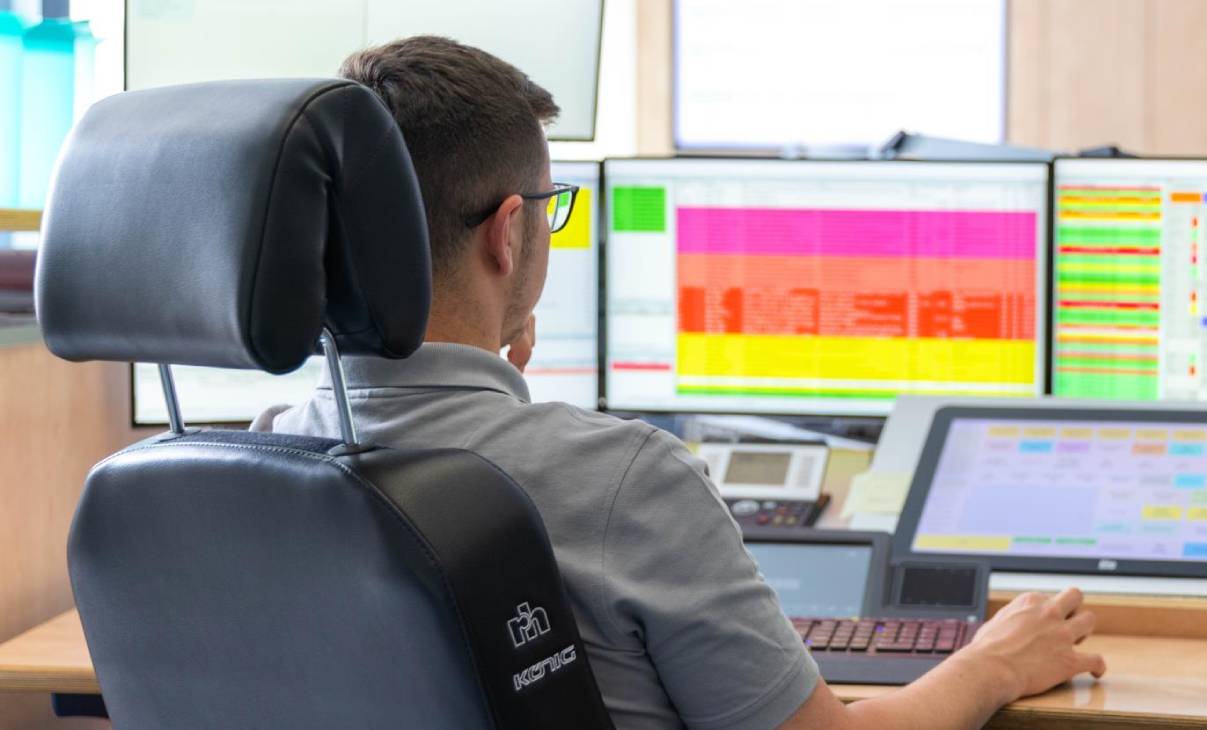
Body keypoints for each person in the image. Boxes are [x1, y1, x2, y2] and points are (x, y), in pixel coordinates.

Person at [252, 35, 1106, 730]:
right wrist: (992, 664)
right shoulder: (624, 480)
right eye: (550, 205)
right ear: (508, 235)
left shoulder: (249, 461)